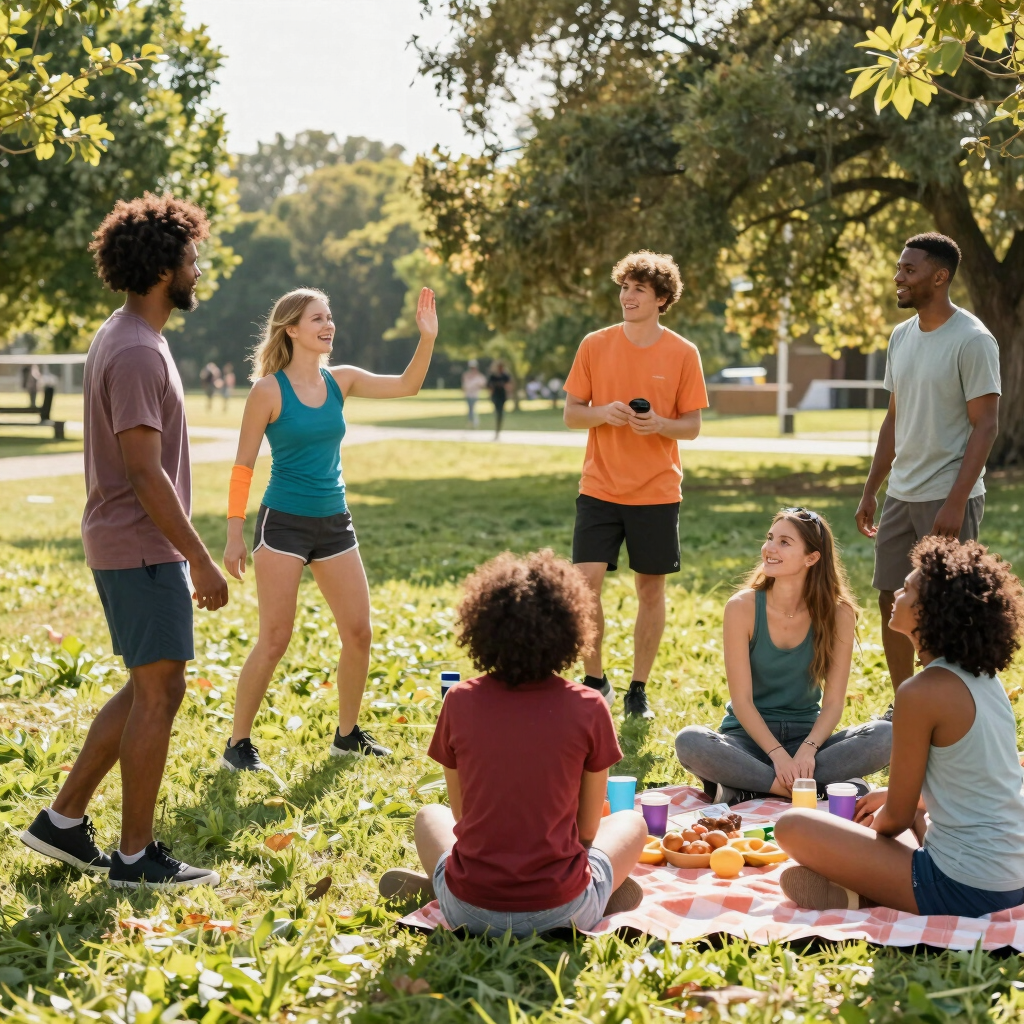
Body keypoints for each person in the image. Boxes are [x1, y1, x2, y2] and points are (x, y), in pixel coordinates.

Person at [19, 194, 228, 889]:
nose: (199, 267)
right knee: (162, 691)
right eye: (193, 256)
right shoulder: (137, 350)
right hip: (141, 545)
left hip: (129, 544)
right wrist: (198, 557)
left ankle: (63, 822)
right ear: (166, 265)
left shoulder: (131, 335)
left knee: (149, 686)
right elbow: (143, 471)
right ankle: (135, 859)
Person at [221, 286, 438, 770]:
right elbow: (242, 467)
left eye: (330, 317)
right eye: (317, 318)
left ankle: (346, 735)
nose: (328, 325)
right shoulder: (268, 391)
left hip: (334, 522)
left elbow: (408, 385)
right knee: (275, 638)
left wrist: (426, 338)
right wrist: (235, 534)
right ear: (292, 329)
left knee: (359, 632)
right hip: (283, 526)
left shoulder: (343, 380)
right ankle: (237, 744)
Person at [376, 550, 648, 934]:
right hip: (562, 909)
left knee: (428, 817)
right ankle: (598, 894)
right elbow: (587, 832)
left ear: (482, 627)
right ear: (571, 630)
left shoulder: (459, 700)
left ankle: (443, 890)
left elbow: (460, 818)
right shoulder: (589, 706)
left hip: (468, 908)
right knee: (631, 822)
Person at [775, 537, 1024, 917]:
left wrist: (855, 845)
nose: (895, 594)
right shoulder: (984, 678)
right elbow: (979, 780)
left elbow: (896, 818)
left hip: (965, 888)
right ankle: (865, 892)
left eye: (906, 590)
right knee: (916, 810)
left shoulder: (920, 692)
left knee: (793, 826)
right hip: (1012, 876)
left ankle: (872, 886)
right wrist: (894, 798)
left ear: (932, 612)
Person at [855, 233, 1000, 714]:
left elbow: (986, 425)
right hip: (902, 494)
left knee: (951, 608)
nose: (898, 277)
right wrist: (872, 488)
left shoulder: (974, 340)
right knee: (890, 601)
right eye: (899, 267)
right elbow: (895, 418)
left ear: (940, 277)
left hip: (948, 494)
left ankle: (957, 702)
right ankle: (905, 702)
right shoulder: (902, 336)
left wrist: (956, 502)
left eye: (909, 270)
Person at [563, 250, 707, 719]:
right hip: (599, 487)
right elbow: (570, 414)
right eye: (624, 287)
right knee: (585, 588)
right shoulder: (594, 344)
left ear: (662, 298)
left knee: (650, 591)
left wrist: (659, 425)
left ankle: (637, 690)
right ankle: (594, 680)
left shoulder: (683, 353)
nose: (627, 296)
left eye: (638, 289)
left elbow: (692, 426)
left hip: (657, 492)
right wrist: (601, 413)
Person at [675, 508, 891, 805]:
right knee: (690, 741)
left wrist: (807, 750)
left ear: (811, 558)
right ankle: (804, 789)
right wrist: (777, 755)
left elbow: (833, 704)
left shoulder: (840, 613)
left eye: (784, 542)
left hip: (810, 743)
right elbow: (742, 702)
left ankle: (748, 787)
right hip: (748, 741)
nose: (769, 548)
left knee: (885, 735)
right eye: (770, 538)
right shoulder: (742, 607)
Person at [487, 360, 512, 438]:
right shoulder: (493, 376)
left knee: (500, 412)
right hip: (495, 396)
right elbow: (489, 386)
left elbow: (509, 385)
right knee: (497, 411)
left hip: (502, 396)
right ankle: (497, 428)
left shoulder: (505, 376)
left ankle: (498, 429)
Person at [461, 359, 486, 428]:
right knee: (470, 408)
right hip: (468, 394)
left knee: (473, 408)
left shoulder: (479, 376)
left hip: (475, 394)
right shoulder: (466, 375)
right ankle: (471, 421)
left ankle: (474, 421)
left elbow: (482, 385)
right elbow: (464, 385)